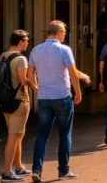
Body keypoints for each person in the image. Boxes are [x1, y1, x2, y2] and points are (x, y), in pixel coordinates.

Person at [28, 21, 83, 181]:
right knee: (65, 134)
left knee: (42, 134)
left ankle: (36, 170)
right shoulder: (64, 50)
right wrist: (78, 92)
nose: (65, 34)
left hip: (44, 98)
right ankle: (63, 171)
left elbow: (30, 73)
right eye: (64, 31)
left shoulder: (36, 50)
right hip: (62, 96)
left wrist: (37, 88)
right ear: (59, 32)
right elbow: (72, 73)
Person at [0, 30, 36, 182]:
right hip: (19, 101)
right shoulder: (21, 59)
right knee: (14, 137)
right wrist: (35, 85)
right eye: (26, 40)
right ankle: (7, 172)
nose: (28, 43)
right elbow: (23, 80)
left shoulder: (2, 56)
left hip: (5, 101)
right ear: (21, 42)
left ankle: (19, 167)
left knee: (18, 135)